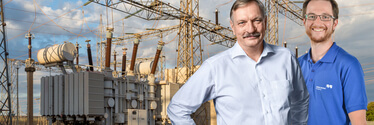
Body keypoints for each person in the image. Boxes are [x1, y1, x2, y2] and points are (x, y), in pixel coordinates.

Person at [167, 0, 309, 124]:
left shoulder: (286, 58)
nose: (251, 29)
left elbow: (301, 101)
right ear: (233, 27)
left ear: (265, 22)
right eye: (242, 23)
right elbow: (177, 108)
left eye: (256, 20)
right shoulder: (215, 67)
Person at [298, 0, 368, 124]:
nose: (318, 22)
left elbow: (359, 123)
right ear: (304, 21)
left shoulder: (349, 65)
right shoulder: (296, 66)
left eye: (325, 17)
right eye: (312, 16)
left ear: (334, 23)